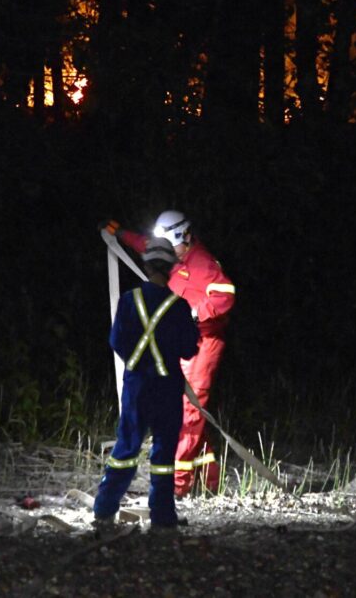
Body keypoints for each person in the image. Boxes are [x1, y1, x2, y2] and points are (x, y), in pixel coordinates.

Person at [102, 211, 235, 496]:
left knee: (188, 414)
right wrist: (117, 231)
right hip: (182, 341)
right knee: (189, 411)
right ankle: (209, 481)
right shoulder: (169, 252)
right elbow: (143, 244)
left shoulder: (202, 263)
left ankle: (177, 487)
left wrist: (195, 313)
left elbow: (225, 295)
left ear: (186, 238)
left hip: (204, 344)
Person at [94, 237, 200, 529]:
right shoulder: (179, 307)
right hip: (167, 389)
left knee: (126, 448)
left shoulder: (129, 300)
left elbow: (116, 340)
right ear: (171, 268)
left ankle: (104, 509)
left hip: (137, 386)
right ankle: (163, 518)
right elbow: (190, 349)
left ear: (146, 263)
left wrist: (139, 362)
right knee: (164, 455)